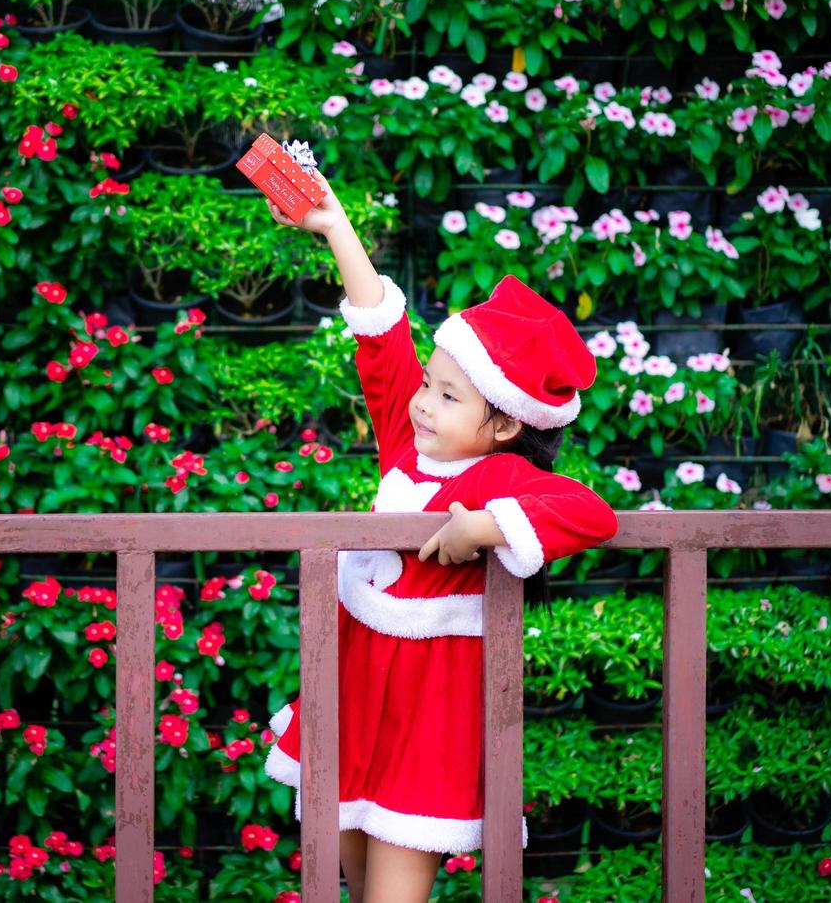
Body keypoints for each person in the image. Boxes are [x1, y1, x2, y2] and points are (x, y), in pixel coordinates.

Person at [260, 168, 619, 903]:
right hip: (357, 697)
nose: (423, 403)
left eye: (448, 396)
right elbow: (383, 343)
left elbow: (592, 513)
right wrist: (336, 228)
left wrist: (488, 525)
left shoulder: (500, 478)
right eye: (430, 383)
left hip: (428, 725)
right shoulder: (406, 444)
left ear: (509, 422)